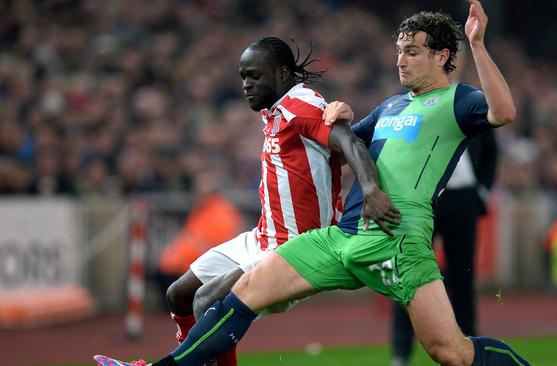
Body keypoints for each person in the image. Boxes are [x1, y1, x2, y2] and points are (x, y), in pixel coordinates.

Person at [94, 1, 530, 365]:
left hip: (397, 235)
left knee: (450, 353)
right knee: (241, 290)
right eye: (399, 50)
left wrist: (477, 45)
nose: (401, 59)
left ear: (442, 57)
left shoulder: (458, 99)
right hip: (341, 237)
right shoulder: (390, 106)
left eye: (413, 52)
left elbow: (503, 112)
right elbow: (341, 149)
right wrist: (337, 119)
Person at [159, 36, 397, 366]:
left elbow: (351, 143)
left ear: (282, 74)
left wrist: (371, 190)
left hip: (296, 248)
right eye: (243, 76)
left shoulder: (302, 107)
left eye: (254, 76)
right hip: (261, 237)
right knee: (179, 295)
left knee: (207, 300)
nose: (246, 84)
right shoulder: (276, 111)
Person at [391, 129, 498, 366]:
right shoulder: (420, 107)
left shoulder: (468, 104)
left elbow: (491, 148)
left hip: (463, 198)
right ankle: (401, 352)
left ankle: (470, 347)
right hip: (423, 196)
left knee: (463, 276)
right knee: (408, 273)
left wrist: (482, 190)